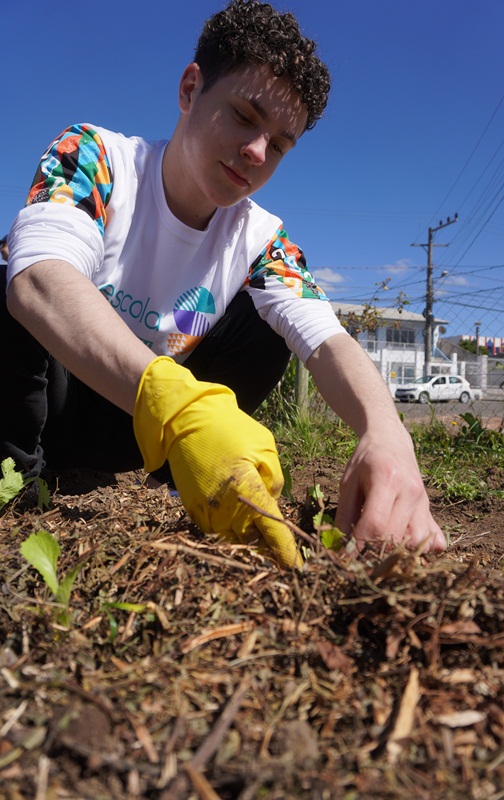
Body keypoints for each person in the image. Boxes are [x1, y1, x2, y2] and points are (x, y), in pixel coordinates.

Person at [1, 0, 446, 568]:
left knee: (266, 328)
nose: (257, 152)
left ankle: (173, 485)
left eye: (280, 144)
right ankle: (19, 489)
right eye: (243, 115)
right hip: (46, 401)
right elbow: (39, 279)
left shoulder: (260, 239)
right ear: (191, 89)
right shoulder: (97, 157)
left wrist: (387, 434)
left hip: (137, 435)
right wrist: (176, 402)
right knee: (9, 277)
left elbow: (327, 338)